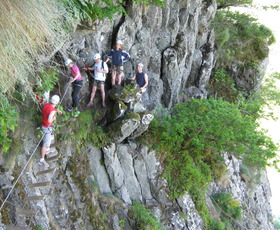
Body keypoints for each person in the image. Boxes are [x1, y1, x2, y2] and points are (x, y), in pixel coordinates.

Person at [38, 95, 62, 168]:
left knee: (49, 139)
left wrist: (55, 111)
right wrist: (54, 118)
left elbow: (49, 110)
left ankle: (48, 149)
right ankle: (41, 160)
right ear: (57, 102)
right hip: (47, 127)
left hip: (44, 125)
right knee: (45, 144)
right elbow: (49, 120)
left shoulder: (46, 105)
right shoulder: (52, 111)